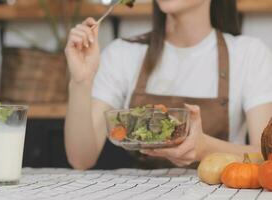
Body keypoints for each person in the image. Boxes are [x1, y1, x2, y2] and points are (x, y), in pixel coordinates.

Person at [64, 0, 272, 169]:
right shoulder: (122, 54)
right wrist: (81, 81)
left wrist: (204, 148)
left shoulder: (249, 54)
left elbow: (267, 157)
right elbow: (81, 159)